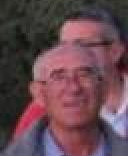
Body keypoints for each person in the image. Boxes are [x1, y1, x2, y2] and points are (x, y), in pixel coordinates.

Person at [12, 8, 127, 141]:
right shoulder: (43, 111)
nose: (71, 54)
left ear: (115, 52)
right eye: (64, 47)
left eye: (82, 45)